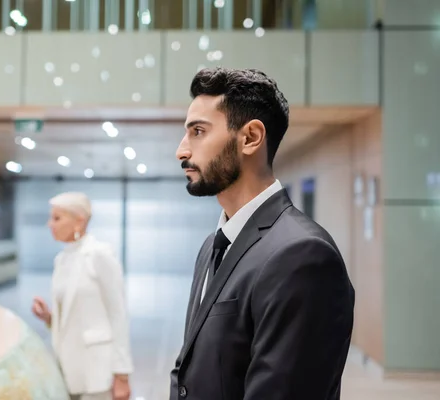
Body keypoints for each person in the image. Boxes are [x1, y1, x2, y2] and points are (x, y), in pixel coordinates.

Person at [170, 68, 355, 400]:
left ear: (251, 137)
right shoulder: (212, 245)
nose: (181, 151)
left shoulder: (302, 254)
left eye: (198, 131)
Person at [32, 192, 133, 400]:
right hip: (68, 369)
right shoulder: (62, 259)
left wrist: (122, 375)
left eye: (57, 218)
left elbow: (118, 314)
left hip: (97, 372)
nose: (50, 224)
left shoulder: (99, 255)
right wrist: (50, 318)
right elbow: (73, 315)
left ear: (79, 220)